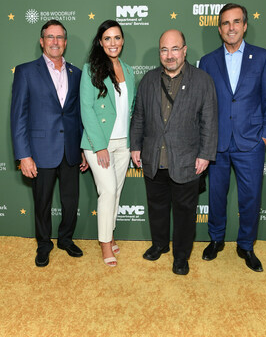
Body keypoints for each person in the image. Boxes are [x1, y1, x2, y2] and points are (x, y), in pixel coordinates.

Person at [130, 29, 218, 275]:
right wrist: (135, 146)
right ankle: (159, 244)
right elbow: (139, 117)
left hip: (187, 160)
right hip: (154, 157)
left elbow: (209, 121)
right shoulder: (148, 80)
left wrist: (205, 154)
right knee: (156, 207)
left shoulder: (202, 80)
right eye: (164, 49)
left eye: (175, 49)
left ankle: (181, 256)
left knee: (185, 213)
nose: (169, 55)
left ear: (185, 50)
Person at [199, 3, 266, 272]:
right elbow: (204, 106)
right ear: (219, 28)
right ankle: (216, 240)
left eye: (236, 22)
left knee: (251, 197)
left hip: (251, 143)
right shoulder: (208, 61)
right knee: (216, 196)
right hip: (218, 143)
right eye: (225, 23)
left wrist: (265, 137)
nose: (230, 27)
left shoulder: (263, 57)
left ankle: (246, 245)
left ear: (245, 25)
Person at [11, 20, 88, 267]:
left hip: (70, 150)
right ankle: (44, 244)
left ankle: (66, 239)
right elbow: (18, 116)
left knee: (70, 201)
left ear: (65, 42)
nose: (55, 42)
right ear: (42, 41)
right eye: (50, 37)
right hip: (40, 151)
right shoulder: (25, 71)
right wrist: (24, 155)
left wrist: (83, 149)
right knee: (42, 203)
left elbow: (78, 114)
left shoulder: (77, 73)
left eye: (60, 37)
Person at [80, 20, 135, 267]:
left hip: (124, 142)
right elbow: (87, 109)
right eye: (108, 38)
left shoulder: (129, 70)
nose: (113, 43)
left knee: (117, 192)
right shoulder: (91, 70)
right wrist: (99, 146)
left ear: (122, 41)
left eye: (117, 38)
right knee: (108, 191)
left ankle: (109, 234)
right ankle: (104, 243)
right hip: (98, 143)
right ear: (100, 42)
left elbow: (130, 109)